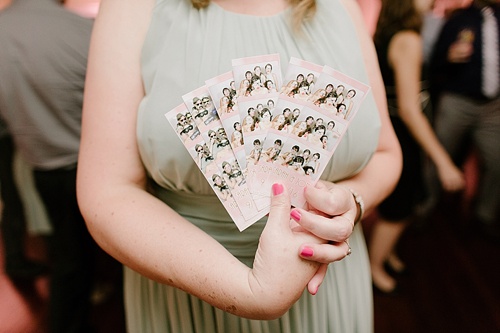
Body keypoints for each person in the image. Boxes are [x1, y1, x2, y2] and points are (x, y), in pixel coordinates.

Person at [77, 0, 402, 332]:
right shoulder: (132, 7)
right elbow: (107, 192)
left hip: (328, 282)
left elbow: (387, 153)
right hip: (190, 291)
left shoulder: (341, 5)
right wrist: (251, 292)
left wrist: (351, 202)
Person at [0, 0, 97, 331]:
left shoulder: (6, 29)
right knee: (94, 257)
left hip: (42, 167)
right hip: (90, 163)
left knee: (68, 257)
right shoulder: (78, 29)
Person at [370, 0, 466, 294]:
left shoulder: (390, 32)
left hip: (393, 129)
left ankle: (388, 256)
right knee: (399, 208)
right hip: (403, 133)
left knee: (405, 200)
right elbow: (410, 110)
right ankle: (374, 268)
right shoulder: (408, 40)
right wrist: (444, 161)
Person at [428, 0, 500, 240]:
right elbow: (434, 61)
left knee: (497, 160)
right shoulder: (459, 19)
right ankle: (424, 209)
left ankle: (484, 216)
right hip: (458, 101)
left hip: (494, 106)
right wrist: (449, 55)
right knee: (438, 155)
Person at [0, 117, 47, 279]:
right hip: (7, 139)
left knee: (13, 200)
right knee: (13, 200)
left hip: (11, 136)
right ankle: (14, 260)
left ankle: (14, 259)